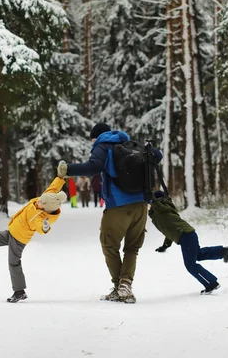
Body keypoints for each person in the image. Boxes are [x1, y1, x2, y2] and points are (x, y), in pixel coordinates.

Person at [57, 122, 163, 303]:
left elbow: (93, 167)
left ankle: (118, 285)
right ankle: (125, 284)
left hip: (117, 206)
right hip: (141, 205)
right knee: (132, 248)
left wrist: (68, 170)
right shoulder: (131, 145)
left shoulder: (103, 146)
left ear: (96, 136)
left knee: (109, 245)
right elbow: (157, 155)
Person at [149, 190, 228, 295]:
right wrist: (165, 246)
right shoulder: (162, 213)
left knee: (190, 265)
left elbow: (156, 204)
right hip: (188, 235)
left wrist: (147, 190)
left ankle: (211, 283)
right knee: (198, 255)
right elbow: (169, 230)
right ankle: (223, 251)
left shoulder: (161, 210)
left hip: (186, 236)